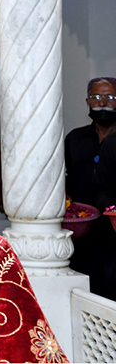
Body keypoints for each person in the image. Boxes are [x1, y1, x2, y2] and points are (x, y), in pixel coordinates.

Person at [67, 77, 116, 300]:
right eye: (96, 97)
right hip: (83, 226)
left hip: (113, 226)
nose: (103, 102)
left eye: (110, 97)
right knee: (84, 282)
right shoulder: (74, 139)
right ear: (87, 101)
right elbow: (62, 178)